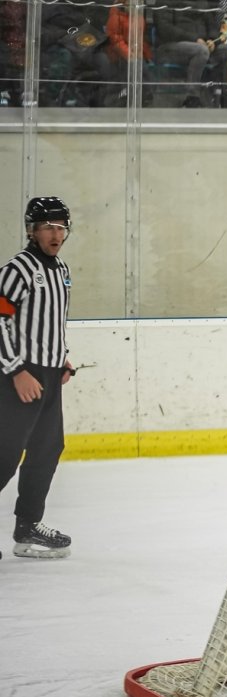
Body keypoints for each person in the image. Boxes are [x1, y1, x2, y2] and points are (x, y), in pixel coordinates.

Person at [0, 197, 77, 560]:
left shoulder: (60, 269)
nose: (56, 233)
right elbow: (0, 320)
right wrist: (16, 370)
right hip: (19, 376)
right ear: (32, 230)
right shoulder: (18, 269)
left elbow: (51, 321)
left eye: (61, 226)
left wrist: (61, 358)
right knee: (4, 455)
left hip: (46, 375)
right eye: (48, 226)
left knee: (47, 449)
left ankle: (27, 526)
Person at [153, 0, 227, 108]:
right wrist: (194, 39)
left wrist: (213, 40)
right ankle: (192, 98)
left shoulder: (203, 3)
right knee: (201, 51)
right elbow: (164, 28)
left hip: (202, 45)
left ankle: (225, 98)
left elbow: (212, 26)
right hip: (171, 46)